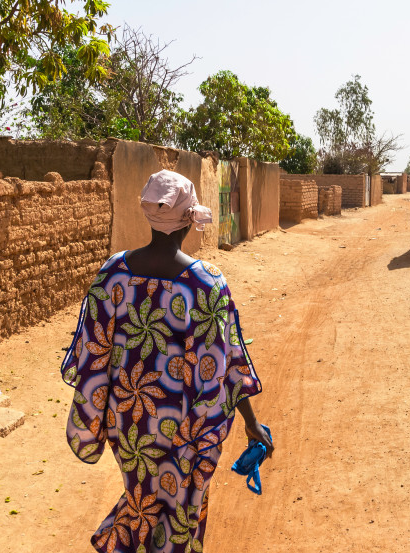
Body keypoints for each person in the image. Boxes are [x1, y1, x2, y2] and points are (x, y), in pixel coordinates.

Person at [60, 169, 273, 553]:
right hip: (185, 430)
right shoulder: (207, 284)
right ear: (188, 221)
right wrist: (251, 423)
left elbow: (92, 352)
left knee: (142, 498)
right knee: (181, 513)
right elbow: (225, 367)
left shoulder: (112, 275)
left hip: (129, 419)